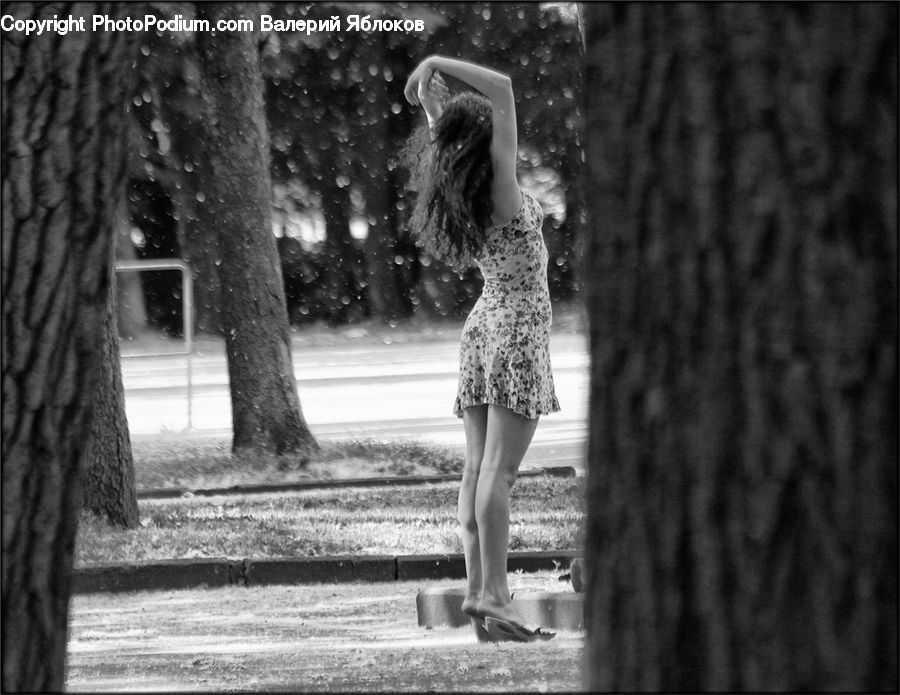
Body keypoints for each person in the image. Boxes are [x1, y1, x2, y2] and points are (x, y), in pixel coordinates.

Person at [400, 56, 560, 643]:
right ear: (487, 142)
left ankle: (478, 592)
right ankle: (494, 594)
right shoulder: (501, 184)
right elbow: (505, 91)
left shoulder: (464, 183)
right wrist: (438, 63)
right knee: (500, 472)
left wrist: (431, 106)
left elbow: (454, 136)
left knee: (476, 469)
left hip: (483, 328)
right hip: (517, 330)